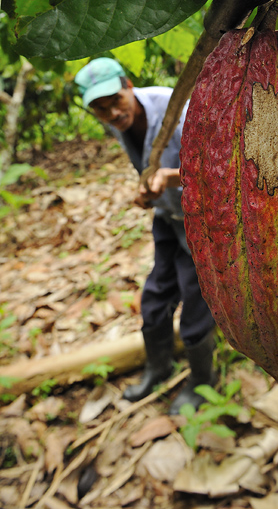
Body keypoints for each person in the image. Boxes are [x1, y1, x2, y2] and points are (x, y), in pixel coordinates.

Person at [74, 57, 215, 413]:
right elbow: (143, 166)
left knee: (196, 296)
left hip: (200, 219)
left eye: (116, 101)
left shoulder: (177, 111)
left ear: (129, 85)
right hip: (167, 216)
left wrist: (169, 177)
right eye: (100, 109)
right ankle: (159, 367)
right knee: (155, 293)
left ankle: (203, 380)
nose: (112, 114)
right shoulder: (116, 123)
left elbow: (217, 167)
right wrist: (146, 191)